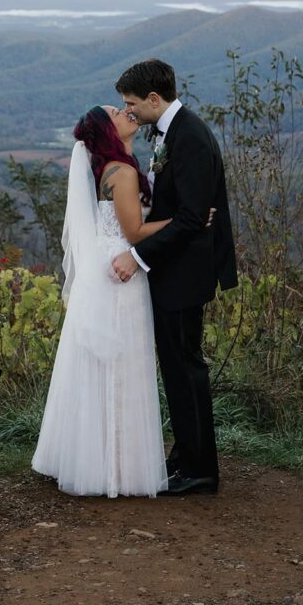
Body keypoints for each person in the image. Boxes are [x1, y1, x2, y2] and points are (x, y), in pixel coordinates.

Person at [31, 104, 172, 497]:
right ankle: (118, 470)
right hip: (120, 275)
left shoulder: (111, 167)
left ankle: (101, 462)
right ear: (107, 130)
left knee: (106, 365)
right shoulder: (123, 172)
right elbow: (137, 231)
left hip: (106, 267)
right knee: (122, 365)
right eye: (116, 112)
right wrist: (186, 221)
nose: (126, 111)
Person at [112, 59, 237, 496]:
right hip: (175, 272)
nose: (127, 111)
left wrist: (137, 257)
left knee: (186, 369)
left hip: (184, 274)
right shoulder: (172, 133)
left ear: (153, 99)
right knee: (177, 368)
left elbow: (189, 220)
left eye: (131, 104)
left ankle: (200, 469)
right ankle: (185, 456)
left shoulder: (190, 138)